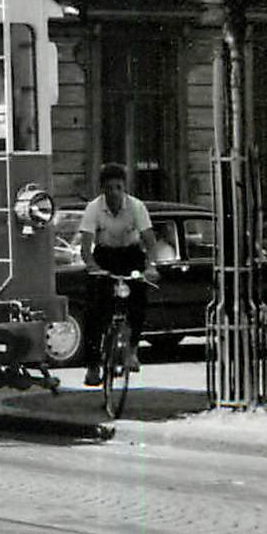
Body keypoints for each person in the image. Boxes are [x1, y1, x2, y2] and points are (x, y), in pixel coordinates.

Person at [79, 162, 160, 386]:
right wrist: (93, 266)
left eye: (118, 187)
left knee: (138, 301)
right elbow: (86, 247)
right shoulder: (94, 208)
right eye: (109, 188)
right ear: (102, 190)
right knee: (94, 310)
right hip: (105, 256)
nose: (114, 193)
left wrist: (151, 266)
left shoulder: (136, 207)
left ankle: (133, 349)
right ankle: (93, 365)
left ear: (124, 187)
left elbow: (150, 241)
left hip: (130, 255)